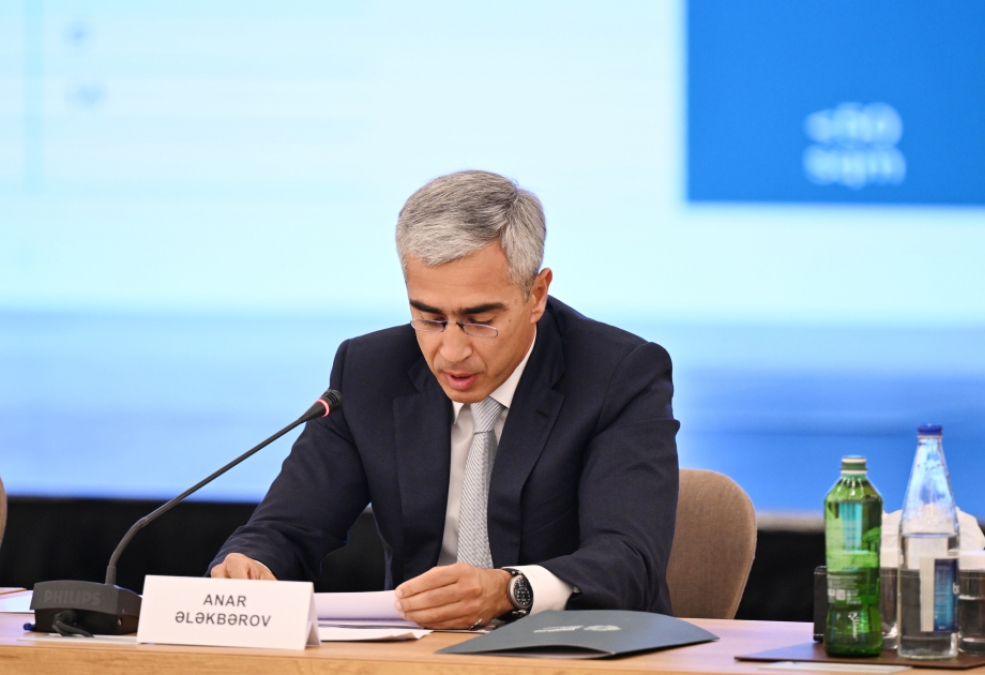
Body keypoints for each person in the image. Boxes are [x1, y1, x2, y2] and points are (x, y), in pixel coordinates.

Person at [209, 170, 679, 629]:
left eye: (479, 320)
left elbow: (629, 561)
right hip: (420, 657)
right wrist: (252, 563)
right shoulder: (370, 371)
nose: (452, 351)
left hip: (576, 652)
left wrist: (509, 591)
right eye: (430, 318)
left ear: (536, 294)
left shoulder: (618, 375)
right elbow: (288, 527)